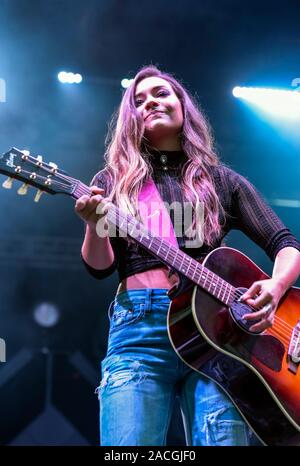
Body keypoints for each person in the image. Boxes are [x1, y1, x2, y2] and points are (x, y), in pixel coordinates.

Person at [75, 65, 300, 446]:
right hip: (139, 329)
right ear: (131, 118)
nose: (150, 102)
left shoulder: (221, 179)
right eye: (139, 100)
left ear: (183, 106)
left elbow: (285, 242)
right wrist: (93, 224)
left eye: (161, 93)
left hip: (220, 333)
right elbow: (100, 268)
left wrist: (277, 287)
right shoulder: (111, 182)